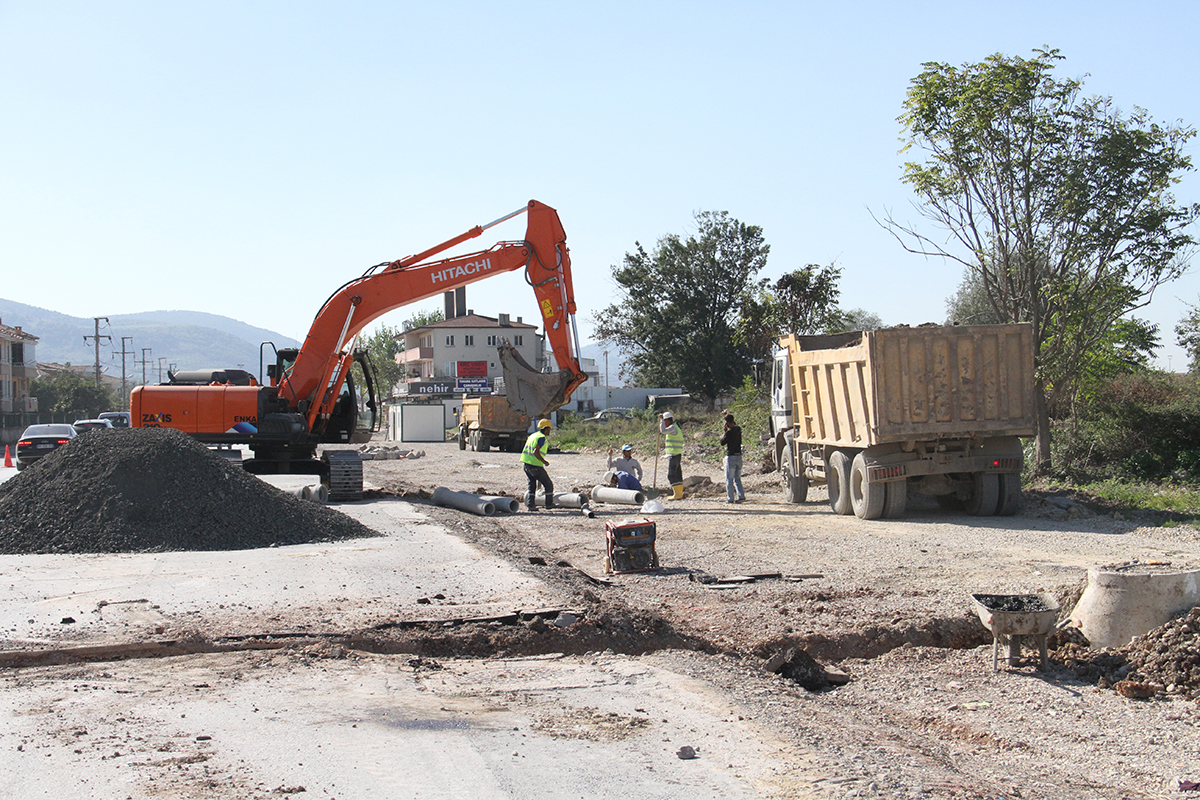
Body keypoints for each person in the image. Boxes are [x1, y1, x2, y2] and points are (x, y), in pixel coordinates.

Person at [520, 419, 555, 511]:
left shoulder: (533, 436)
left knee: (532, 485)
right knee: (548, 485)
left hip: (526, 464)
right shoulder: (542, 438)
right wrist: (544, 461)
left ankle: (530, 505)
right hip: (535, 465)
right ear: (545, 429)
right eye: (549, 429)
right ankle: (549, 504)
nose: (549, 431)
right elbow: (536, 452)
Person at [720, 412, 745, 503]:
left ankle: (730, 498)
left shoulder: (729, 433)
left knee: (729, 479)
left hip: (731, 457)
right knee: (737, 478)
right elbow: (735, 424)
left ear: (727, 423)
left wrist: (725, 431)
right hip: (739, 456)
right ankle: (741, 495)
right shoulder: (738, 429)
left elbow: (722, 442)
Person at [660, 411, 684, 500]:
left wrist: (661, 420)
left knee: (671, 475)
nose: (664, 423)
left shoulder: (673, 428)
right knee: (677, 474)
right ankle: (679, 494)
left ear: (668, 420)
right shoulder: (675, 427)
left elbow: (662, 431)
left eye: (665, 421)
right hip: (676, 454)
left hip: (674, 455)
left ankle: (677, 494)